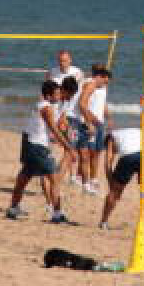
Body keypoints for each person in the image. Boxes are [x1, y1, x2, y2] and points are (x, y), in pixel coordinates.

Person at [6, 81, 76, 223]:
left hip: (30, 144)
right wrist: (68, 147)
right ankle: (57, 214)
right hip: (38, 147)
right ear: (49, 96)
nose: (59, 95)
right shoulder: (46, 108)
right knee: (54, 179)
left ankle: (13, 208)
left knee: (23, 179)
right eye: (56, 93)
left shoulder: (43, 106)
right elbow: (54, 129)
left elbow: (51, 127)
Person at [98, 125, 144, 233]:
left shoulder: (111, 137)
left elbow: (108, 161)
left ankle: (103, 222)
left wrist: (111, 182)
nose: (115, 152)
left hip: (128, 155)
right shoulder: (136, 131)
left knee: (115, 192)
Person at [47, 51, 84, 184]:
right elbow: (47, 90)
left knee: (70, 146)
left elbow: (72, 84)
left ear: (70, 60)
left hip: (72, 113)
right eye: (60, 61)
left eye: (65, 61)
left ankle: (72, 176)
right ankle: (53, 173)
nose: (63, 63)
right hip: (58, 112)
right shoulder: (53, 72)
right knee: (60, 145)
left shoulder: (77, 72)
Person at [77, 66, 112, 194]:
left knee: (97, 152)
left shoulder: (101, 87)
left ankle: (93, 179)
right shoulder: (89, 84)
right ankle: (84, 181)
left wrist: (109, 118)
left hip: (99, 123)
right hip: (88, 123)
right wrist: (89, 122)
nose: (105, 84)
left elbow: (103, 103)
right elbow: (82, 104)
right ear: (99, 76)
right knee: (86, 154)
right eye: (105, 81)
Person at [55, 76, 83, 185]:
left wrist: (68, 130)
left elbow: (63, 117)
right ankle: (56, 182)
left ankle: (57, 181)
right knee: (68, 154)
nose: (71, 98)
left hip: (66, 126)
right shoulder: (54, 100)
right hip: (46, 134)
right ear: (64, 90)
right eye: (71, 94)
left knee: (69, 154)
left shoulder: (65, 101)